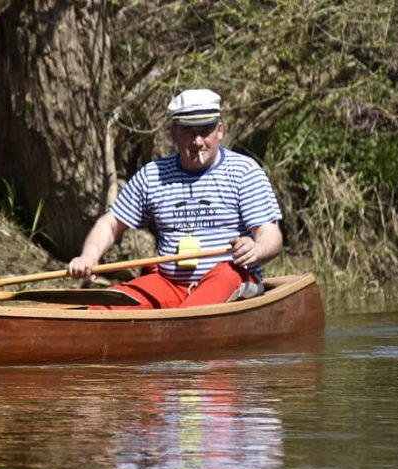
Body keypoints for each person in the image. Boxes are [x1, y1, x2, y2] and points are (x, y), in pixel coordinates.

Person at [68, 88, 283, 309]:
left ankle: (183, 325)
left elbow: (271, 235)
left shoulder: (244, 171)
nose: (197, 141)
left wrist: (256, 249)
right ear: (173, 133)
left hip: (233, 279)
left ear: (220, 130)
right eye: (188, 132)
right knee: (113, 301)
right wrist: (88, 257)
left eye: (205, 131)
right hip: (171, 283)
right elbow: (110, 223)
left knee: (224, 277)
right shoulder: (153, 175)